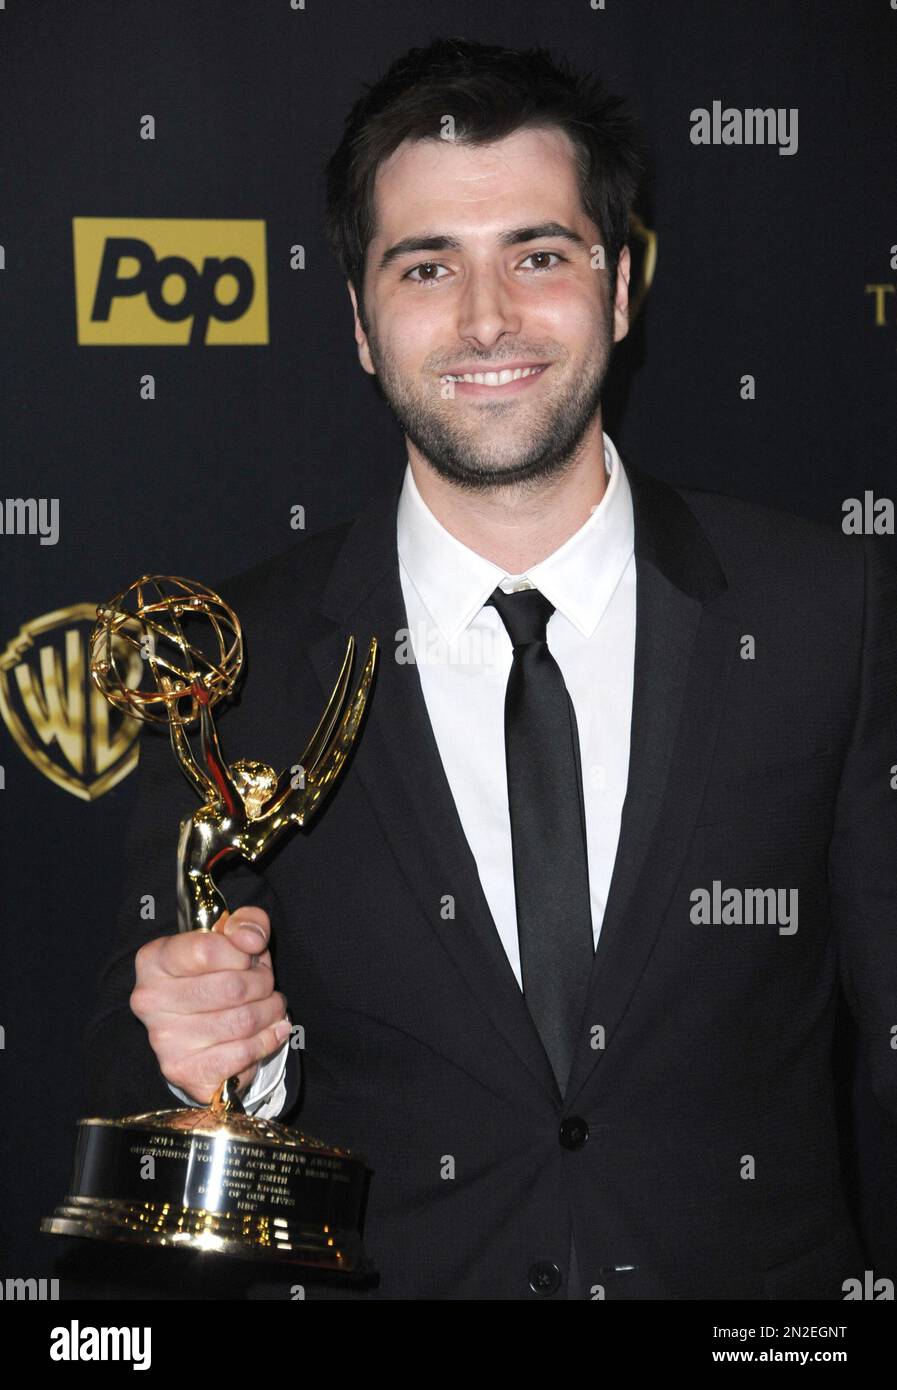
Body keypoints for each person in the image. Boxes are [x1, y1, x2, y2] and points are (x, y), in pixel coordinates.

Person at [85, 37, 897, 1300]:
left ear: (619, 289)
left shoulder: (824, 607)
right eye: (427, 266)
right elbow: (140, 1192)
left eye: (538, 253)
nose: (486, 319)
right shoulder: (234, 658)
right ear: (360, 321)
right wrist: (209, 1074)